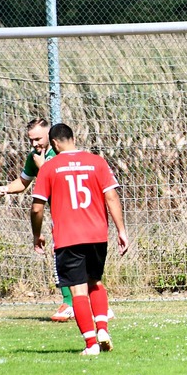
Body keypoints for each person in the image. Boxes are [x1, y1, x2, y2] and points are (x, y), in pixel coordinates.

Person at [0, 118, 114, 322]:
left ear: (50, 137)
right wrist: (6, 188)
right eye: (31, 140)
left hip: (78, 216)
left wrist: (43, 167)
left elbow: (58, 177)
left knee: (80, 266)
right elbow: (23, 182)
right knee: (66, 262)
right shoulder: (34, 156)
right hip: (62, 217)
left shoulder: (61, 154)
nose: (34, 144)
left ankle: (78, 305)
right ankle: (83, 307)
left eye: (38, 139)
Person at [30, 123, 129, 355]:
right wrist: (121, 230)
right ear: (73, 138)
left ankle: (91, 344)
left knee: (78, 291)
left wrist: (36, 235)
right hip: (97, 235)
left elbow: (37, 208)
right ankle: (102, 329)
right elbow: (112, 197)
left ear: (54, 143)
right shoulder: (97, 162)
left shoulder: (49, 167)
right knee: (95, 282)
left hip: (68, 237)